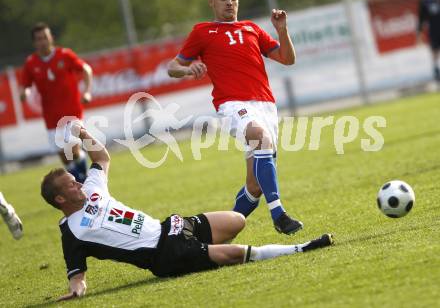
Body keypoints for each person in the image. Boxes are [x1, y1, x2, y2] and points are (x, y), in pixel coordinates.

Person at [40, 122, 333, 301]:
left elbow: (101, 157)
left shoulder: (92, 187)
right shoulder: (72, 232)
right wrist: (77, 289)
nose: (78, 182)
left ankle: (204, 253)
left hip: (169, 226)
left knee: (237, 220)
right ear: (60, 199)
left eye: (75, 179)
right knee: (233, 254)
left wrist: (83, 132)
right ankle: (301, 248)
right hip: (162, 255)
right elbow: (77, 274)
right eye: (71, 184)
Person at [168, 0, 300, 234]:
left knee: (255, 186)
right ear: (211, 2)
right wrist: (187, 70)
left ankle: (215, 232)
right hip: (232, 105)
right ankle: (279, 214)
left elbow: (287, 59)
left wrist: (282, 29)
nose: (229, 2)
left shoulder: (252, 29)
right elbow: (173, 67)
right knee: (260, 137)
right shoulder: (203, 31)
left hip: (266, 106)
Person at [19, 22, 93, 183]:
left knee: (72, 148)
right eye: (39, 39)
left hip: (72, 112)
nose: (43, 41)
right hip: (51, 117)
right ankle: (81, 179)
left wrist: (87, 91)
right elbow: (25, 84)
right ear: (35, 42)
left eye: (45, 37)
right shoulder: (31, 63)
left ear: (51, 37)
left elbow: (86, 69)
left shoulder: (64, 55)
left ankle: (84, 183)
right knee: (64, 157)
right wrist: (24, 93)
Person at [417, 0, 440, 82]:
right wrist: (419, 34)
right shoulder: (425, 1)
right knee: (435, 51)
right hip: (435, 30)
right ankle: (436, 71)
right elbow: (421, 19)